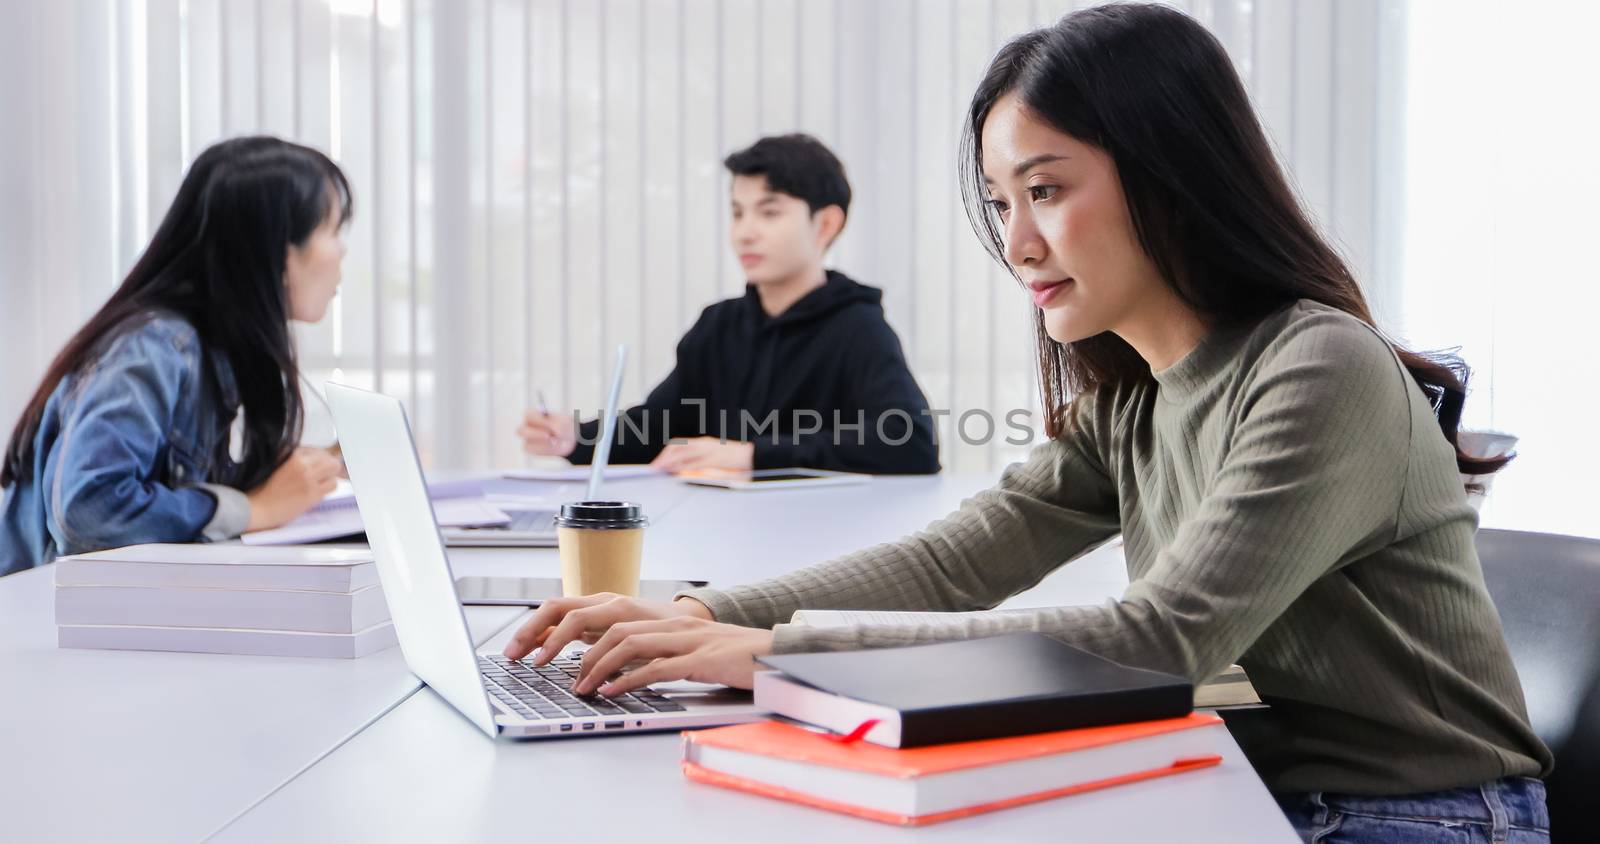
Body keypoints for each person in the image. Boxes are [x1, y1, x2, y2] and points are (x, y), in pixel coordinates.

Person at [502, 6, 1552, 841]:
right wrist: (697, 613)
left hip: (1426, 817)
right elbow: (957, 559)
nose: (1019, 242)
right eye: (1001, 203)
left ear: (1171, 179)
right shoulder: (1135, 393)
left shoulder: (1315, 366)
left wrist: (771, 648)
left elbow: (1158, 640)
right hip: (1260, 784)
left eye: (1045, 190)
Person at [0, 136, 351, 576]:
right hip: (34, 625)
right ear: (278, 249)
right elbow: (88, 509)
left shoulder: (219, 349)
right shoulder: (155, 347)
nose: (344, 250)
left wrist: (302, 474)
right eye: (333, 230)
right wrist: (252, 509)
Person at [518, 133, 940, 476]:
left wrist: (752, 455)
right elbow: (659, 424)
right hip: (716, 546)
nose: (745, 233)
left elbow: (910, 441)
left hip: (816, 556)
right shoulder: (719, 326)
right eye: (738, 213)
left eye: (769, 213)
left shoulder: (858, 328)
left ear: (826, 223)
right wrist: (576, 438)